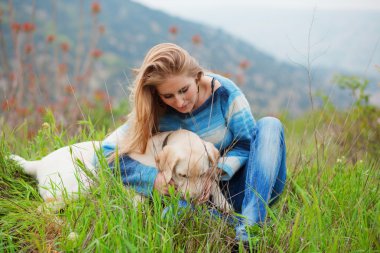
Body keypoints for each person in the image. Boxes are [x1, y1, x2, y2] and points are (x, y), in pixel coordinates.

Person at [101, 43, 286, 242]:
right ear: (157, 94)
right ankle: (233, 228)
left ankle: (250, 227)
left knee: (270, 125)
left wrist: (213, 173)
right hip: (193, 197)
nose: (179, 102)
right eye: (168, 95)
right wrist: (153, 178)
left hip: (252, 188)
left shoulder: (225, 93)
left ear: (197, 77)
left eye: (184, 90)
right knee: (171, 213)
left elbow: (247, 144)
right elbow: (106, 153)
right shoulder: (154, 111)